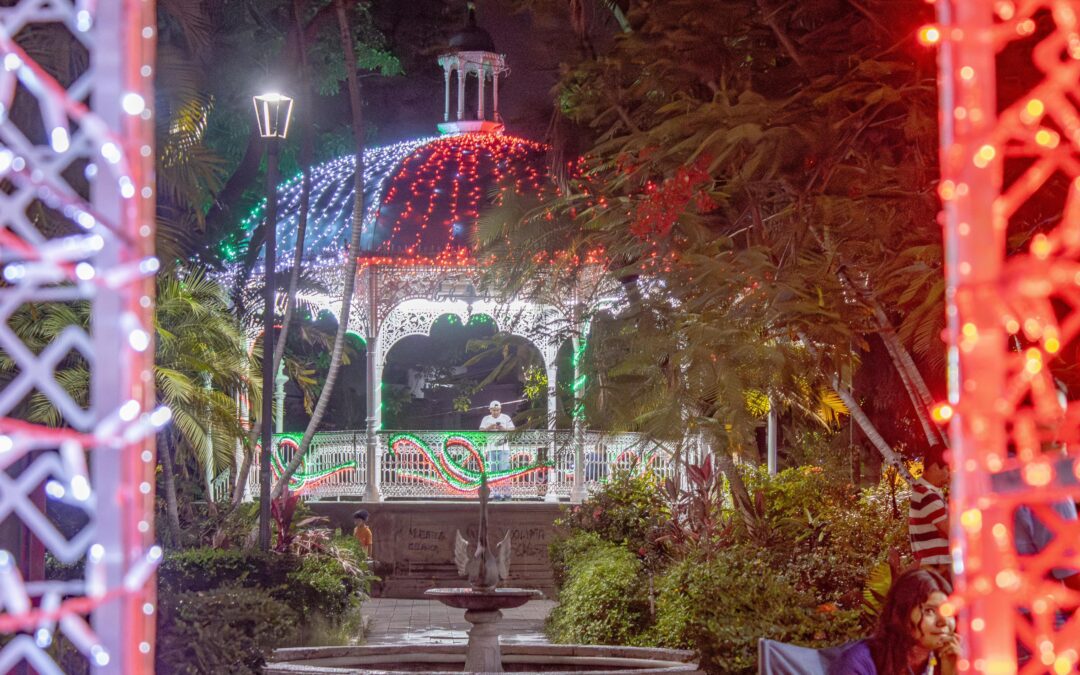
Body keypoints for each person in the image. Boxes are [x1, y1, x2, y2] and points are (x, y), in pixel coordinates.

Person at [829, 569, 961, 675]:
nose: (943, 622)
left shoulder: (950, 658)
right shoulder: (859, 662)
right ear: (902, 613)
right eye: (929, 611)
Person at [909, 445, 951, 579]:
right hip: (936, 569)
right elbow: (951, 531)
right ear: (934, 467)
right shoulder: (926, 495)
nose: (949, 475)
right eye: (947, 469)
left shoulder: (925, 492)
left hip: (935, 568)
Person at [479, 401, 514, 500]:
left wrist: (503, 428)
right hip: (490, 449)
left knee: (504, 472)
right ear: (490, 410)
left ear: (500, 409)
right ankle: (496, 495)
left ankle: (507, 495)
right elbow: (481, 431)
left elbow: (512, 430)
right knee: (493, 473)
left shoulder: (506, 418)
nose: (496, 412)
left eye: (497, 410)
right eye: (494, 410)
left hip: (503, 449)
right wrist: (489, 427)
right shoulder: (486, 419)